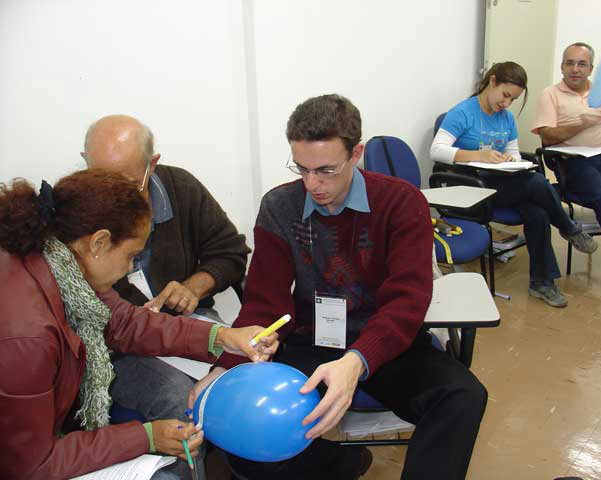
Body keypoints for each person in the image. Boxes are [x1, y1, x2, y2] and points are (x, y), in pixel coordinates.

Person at [189, 94, 488, 480]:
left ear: (356, 154)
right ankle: (341, 464)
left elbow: (408, 300)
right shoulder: (280, 206)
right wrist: (227, 365)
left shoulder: (400, 202)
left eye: (326, 170)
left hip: (385, 342)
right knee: (244, 439)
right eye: (302, 168)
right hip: (310, 342)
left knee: (463, 397)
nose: (312, 183)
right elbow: (264, 303)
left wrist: (356, 360)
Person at [0, 170, 277, 480]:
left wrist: (223, 336)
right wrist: (146, 438)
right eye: (132, 254)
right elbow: (33, 465)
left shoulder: (62, 265)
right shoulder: (28, 337)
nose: (132, 266)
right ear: (99, 242)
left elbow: (124, 322)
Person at [81, 114, 252, 474]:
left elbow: (231, 252)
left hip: (186, 323)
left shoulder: (181, 188)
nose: (112, 196)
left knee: (240, 380)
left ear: (152, 164)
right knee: (180, 401)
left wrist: (194, 286)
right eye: (99, 179)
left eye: (127, 183)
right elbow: (113, 321)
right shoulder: (77, 214)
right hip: (119, 347)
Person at [430, 61, 598, 308]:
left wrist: (511, 160)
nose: (507, 104)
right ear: (492, 82)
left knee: (537, 210)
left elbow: (515, 153)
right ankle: (569, 228)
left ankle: (542, 283)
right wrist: (478, 155)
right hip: (471, 188)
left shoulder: (506, 118)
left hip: (501, 184)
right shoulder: (463, 112)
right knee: (538, 184)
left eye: (513, 100)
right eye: (505, 95)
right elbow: (437, 150)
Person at [532, 42, 601, 299]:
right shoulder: (551, 94)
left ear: (591, 68)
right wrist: (582, 122)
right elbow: (548, 137)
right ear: (562, 66)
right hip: (572, 162)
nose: (575, 69)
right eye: (570, 63)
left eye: (582, 64)